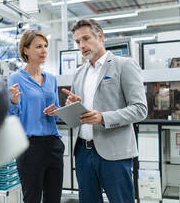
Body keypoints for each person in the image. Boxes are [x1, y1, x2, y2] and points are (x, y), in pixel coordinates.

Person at [62, 19, 148, 203]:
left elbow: (140, 109)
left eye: (86, 38)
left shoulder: (124, 65)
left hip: (114, 153)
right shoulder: (79, 73)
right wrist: (72, 106)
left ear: (100, 36)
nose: (82, 45)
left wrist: (103, 117)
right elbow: (79, 114)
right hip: (83, 152)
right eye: (78, 42)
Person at [8, 29, 64, 203]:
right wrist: (14, 102)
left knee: (53, 198)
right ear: (26, 50)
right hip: (30, 147)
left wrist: (58, 110)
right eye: (38, 46)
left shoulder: (52, 79)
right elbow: (12, 117)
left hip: (54, 144)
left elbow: (55, 113)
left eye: (45, 46)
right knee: (32, 198)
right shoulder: (16, 78)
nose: (44, 50)